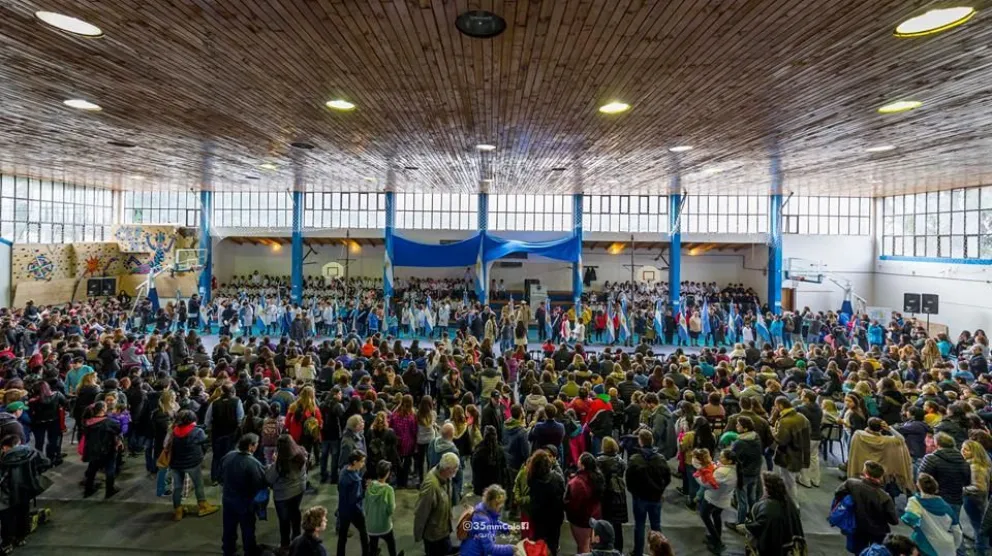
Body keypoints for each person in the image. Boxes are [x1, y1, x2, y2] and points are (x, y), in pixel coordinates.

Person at [834, 460, 900, 554]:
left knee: (858, 551)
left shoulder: (851, 484)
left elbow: (838, 494)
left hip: (857, 527)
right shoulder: (885, 497)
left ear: (865, 472)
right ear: (881, 476)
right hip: (877, 532)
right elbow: (894, 520)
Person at [219, 433, 268, 556]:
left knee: (229, 527)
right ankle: (249, 550)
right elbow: (260, 483)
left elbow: (220, 475)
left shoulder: (228, 456)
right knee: (247, 528)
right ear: (251, 446)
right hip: (245, 502)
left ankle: (228, 549)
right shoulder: (252, 463)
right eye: (256, 444)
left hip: (228, 499)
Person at [0, 434, 51, 551]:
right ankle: (21, 538)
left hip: (7, 494)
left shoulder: (4, 460)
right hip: (26, 490)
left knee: (7, 518)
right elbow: (46, 462)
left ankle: (7, 543)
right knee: (23, 514)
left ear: (5, 447)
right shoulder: (30, 451)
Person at [626, 429, 672, 556]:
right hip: (656, 497)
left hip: (640, 498)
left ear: (640, 441)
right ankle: (660, 552)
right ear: (652, 441)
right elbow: (668, 478)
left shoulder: (635, 459)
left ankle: (638, 552)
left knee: (639, 526)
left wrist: (634, 492)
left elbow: (628, 480)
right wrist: (660, 489)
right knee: (656, 526)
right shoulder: (661, 459)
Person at [168, 409, 218, 520]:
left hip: (176, 463)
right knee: (198, 484)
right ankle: (203, 506)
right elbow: (205, 441)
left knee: (177, 487)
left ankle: (178, 511)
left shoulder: (174, 430)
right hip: (192, 463)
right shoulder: (196, 432)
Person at [901, 473, 962, 556]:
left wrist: (915, 526)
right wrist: (955, 546)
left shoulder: (915, 501)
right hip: (947, 547)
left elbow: (910, 518)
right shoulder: (946, 507)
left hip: (925, 545)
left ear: (918, 486)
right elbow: (957, 531)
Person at [745, 472, 806, 556]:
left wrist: (746, 526)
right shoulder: (787, 500)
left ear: (767, 488)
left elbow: (758, 528)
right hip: (787, 545)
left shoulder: (767, 508)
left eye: (762, 485)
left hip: (773, 547)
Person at [266, 434, 307, 551]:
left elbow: (269, 478)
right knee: (295, 512)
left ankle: (285, 544)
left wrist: (273, 462)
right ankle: (297, 537)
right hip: (299, 490)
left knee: (284, 519)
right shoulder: (302, 454)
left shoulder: (280, 463)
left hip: (283, 495)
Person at [414, 452, 458, 556]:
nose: (455, 472)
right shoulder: (431, 486)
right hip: (433, 536)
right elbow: (421, 512)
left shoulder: (446, 478)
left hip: (444, 530)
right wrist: (418, 534)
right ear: (446, 469)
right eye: (454, 469)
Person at [918, 432, 971, 518]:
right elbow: (967, 482)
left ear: (937, 444)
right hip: (956, 500)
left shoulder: (931, 459)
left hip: (935, 500)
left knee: (936, 528)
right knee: (954, 526)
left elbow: (921, 479)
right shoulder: (964, 462)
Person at [770, 396, 811, 503]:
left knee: (788, 482)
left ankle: (792, 506)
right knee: (791, 481)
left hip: (787, 455)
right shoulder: (802, 417)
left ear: (780, 406)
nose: (775, 408)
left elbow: (781, 440)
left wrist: (773, 432)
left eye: (776, 405)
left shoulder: (785, 421)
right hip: (800, 453)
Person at [527, 448, 566, 556]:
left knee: (539, 543)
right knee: (553, 544)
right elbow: (563, 494)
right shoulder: (557, 478)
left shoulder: (532, 479)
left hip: (538, 516)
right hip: (555, 517)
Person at [698, 449, 737, 553]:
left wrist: (698, 476)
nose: (719, 459)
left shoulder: (722, 472)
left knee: (704, 516)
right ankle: (716, 537)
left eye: (722, 457)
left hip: (713, 499)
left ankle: (718, 542)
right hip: (724, 499)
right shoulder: (734, 469)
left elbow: (707, 484)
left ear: (729, 461)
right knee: (716, 516)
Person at [459, 484, 517, 556]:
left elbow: (494, 522)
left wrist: (507, 528)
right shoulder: (483, 520)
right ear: (493, 503)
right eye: (499, 504)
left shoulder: (484, 508)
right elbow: (490, 549)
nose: (501, 506)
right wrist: (511, 549)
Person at [565, 452, 605, 553]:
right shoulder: (598, 477)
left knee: (583, 546)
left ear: (582, 465)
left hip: (581, 519)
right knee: (591, 544)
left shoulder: (578, 483)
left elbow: (574, 504)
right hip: (595, 516)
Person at [82, 401, 122, 499]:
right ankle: (110, 490)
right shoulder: (109, 422)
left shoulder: (88, 422)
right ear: (103, 409)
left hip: (92, 449)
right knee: (110, 469)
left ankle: (88, 490)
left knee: (92, 469)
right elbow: (118, 429)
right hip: (107, 449)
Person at [205, 383, 245, 483]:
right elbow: (240, 418)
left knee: (217, 455)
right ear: (233, 392)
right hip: (231, 433)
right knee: (229, 454)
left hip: (217, 433)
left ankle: (215, 478)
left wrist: (210, 430)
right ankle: (226, 477)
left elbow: (207, 420)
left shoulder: (214, 403)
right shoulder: (237, 401)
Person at [596, 437, 628, 553]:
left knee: (604, 524)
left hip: (606, 496)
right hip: (619, 495)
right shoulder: (621, 462)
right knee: (617, 526)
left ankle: (605, 549)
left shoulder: (600, 461)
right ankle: (618, 550)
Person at [365, 461, 403, 556]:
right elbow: (391, 509)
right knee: (391, 544)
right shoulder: (388, 489)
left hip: (371, 525)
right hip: (384, 525)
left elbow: (365, 506)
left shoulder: (369, 486)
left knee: (373, 546)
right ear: (387, 473)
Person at [337, 450, 370, 556]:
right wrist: (366, 490)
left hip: (342, 509)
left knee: (342, 536)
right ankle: (366, 553)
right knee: (363, 532)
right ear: (355, 462)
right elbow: (356, 499)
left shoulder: (344, 470)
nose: (363, 464)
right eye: (362, 461)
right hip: (354, 511)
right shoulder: (355, 480)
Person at [961, 439, 990, 556]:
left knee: (978, 525)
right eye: (962, 448)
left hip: (973, 500)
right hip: (979, 500)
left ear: (974, 452)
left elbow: (979, 487)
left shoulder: (974, 467)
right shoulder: (982, 464)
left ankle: (980, 550)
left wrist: (962, 489)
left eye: (966, 450)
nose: (963, 451)